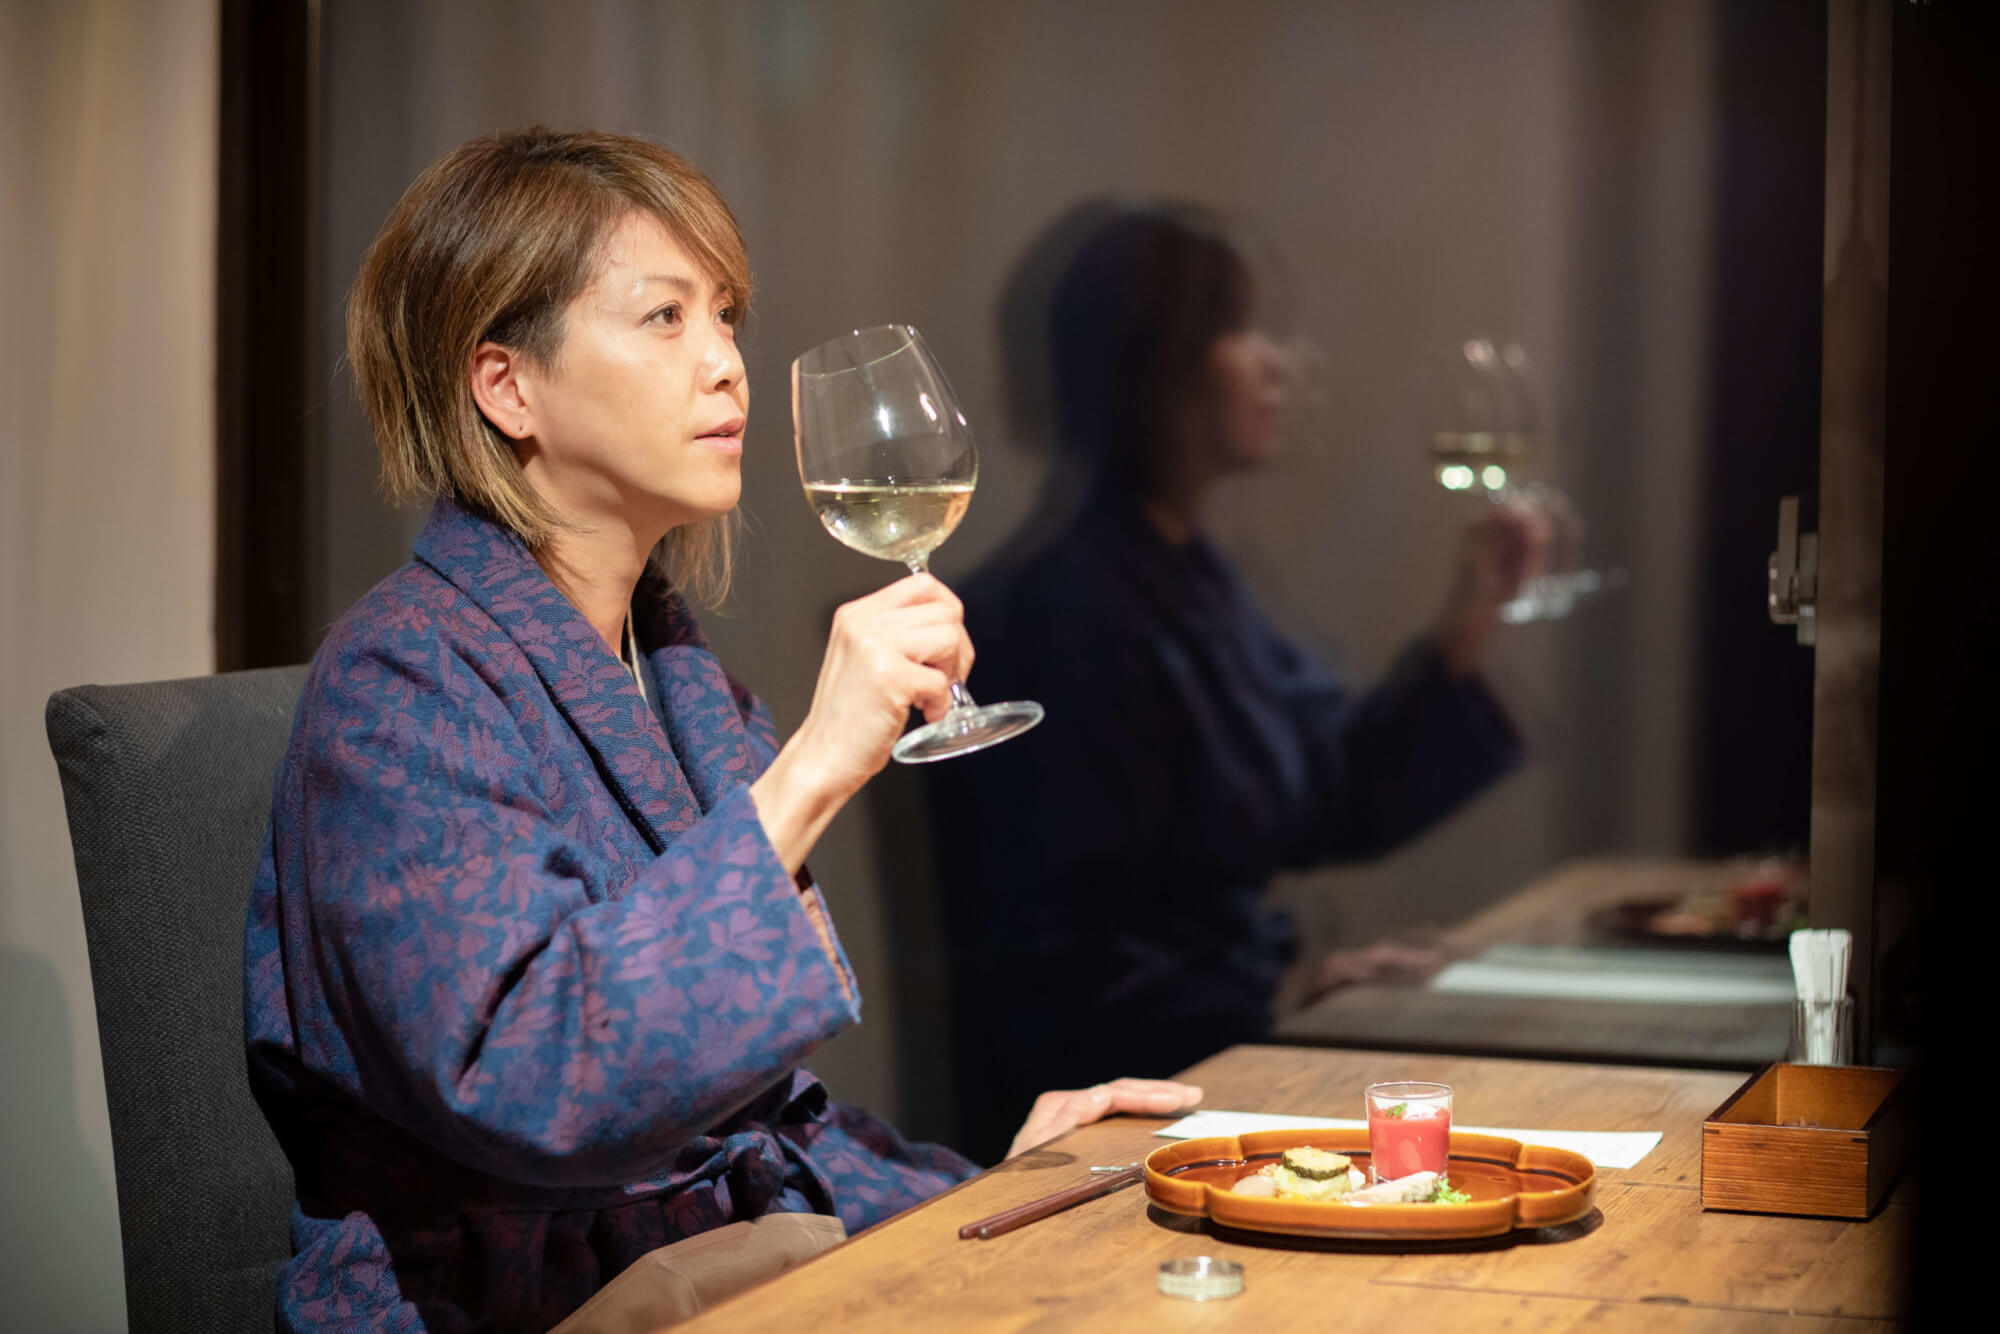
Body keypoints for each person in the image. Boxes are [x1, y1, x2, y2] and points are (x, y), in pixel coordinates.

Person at [243, 130, 1197, 1334]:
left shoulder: (679, 676)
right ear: (507, 384)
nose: (727, 366)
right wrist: (806, 771)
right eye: (663, 318)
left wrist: (1005, 1185)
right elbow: (528, 1084)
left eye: (728, 316)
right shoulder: (399, 685)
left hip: (711, 1269)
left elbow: (757, 1128)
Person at [929, 200, 1546, 1162]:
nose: (1283, 363)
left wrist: (1472, 615)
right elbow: (1053, 961)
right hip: (1117, 1104)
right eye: (1241, 328)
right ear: (1152, 362)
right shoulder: (1063, 607)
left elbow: (1328, 798)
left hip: (1219, 1046)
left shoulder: (1193, 571)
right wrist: (1278, 992)